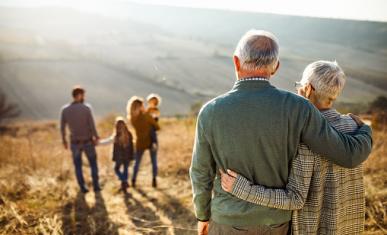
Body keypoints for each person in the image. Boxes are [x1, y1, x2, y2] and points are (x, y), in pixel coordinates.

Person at [189, 30, 372, 235]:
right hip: (277, 223)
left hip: (228, 220)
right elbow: (347, 155)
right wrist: (365, 130)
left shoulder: (210, 111)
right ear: (275, 67)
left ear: (236, 62)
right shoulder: (298, 107)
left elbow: (201, 172)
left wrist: (203, 215)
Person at [220, 60, 367, 234]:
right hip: (349, 227)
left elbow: (295, 199)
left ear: (308, 89)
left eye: (299, 86)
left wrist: (243, 189)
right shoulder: (354, 126)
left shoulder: (303, 135)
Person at [60, 86, 101, 193]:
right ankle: (96, 186)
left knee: (78, 166)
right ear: (79, 95)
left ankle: (83, 187)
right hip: (87, 141)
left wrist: (64, 141)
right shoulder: (86, 108)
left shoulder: (65, 110)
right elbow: (92, 125)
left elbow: (62, 127)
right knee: (93, 164)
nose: (84, 97)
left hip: (74, 143)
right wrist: (96, 137)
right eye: (83, 95)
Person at [128, 96, 160, 188]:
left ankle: (133, 180)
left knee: (137, 163)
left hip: (140, 142)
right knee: (154, 161)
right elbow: (157, 127)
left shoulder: (132, 118)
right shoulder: (146, 116)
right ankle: (154, 180)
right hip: (151, 141)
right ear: (140, 106)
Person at [100, 117, 134, 192]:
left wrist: (98, 143)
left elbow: (107, 142)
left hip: (119, 157)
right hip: (127, 156)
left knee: (116, 169)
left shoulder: (116, 136)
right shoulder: (129, 134)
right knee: (125, 169)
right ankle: (124, 182)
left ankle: (123, 181)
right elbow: (132, 146)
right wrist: (132, 156)